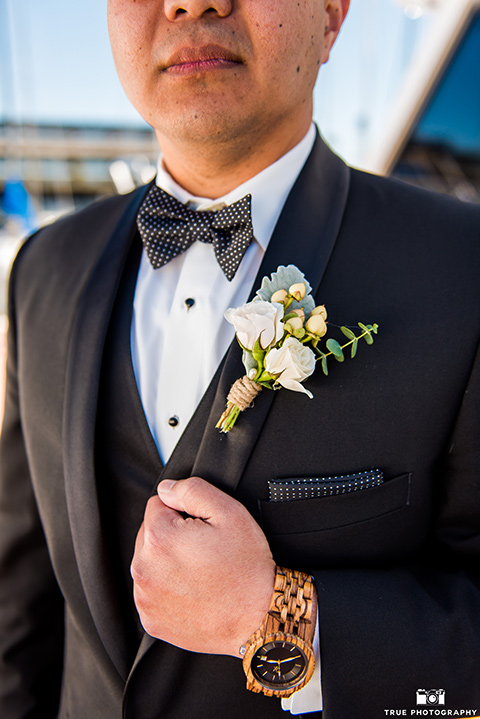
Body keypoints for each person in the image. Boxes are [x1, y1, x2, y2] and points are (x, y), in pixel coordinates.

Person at [1, 1, 479, 718]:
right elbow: (19, 604)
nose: (192, 2)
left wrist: (281, 619)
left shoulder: (461, 267)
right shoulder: (42, 267)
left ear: (331, 15)